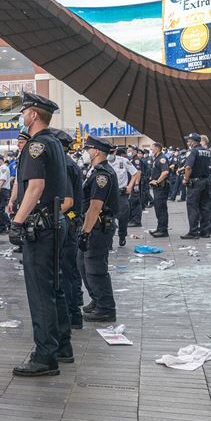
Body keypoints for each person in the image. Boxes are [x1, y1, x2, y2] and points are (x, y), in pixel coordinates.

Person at [9, 93, 68, 377]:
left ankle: (45, 355)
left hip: (40, 227)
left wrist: (17, 223)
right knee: (54, 288)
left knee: (40, 292)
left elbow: (35, 187)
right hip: (54, 223)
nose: (22, 117)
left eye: (24, 113)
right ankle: (58, 347)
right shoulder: (55, 143)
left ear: (33, 115)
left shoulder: (35, 146)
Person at [76, 137, 119, 324]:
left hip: (97, 228)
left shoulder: (102, 175)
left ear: (97, 152)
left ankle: (106, 308)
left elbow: (95, 207)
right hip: (93, 226)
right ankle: (97, 299)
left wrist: (85, 232)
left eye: (88, 149)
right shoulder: (94, 172)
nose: (86, 151)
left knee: (95, 269)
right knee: (83, 265)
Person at [51, 129, 83, 334]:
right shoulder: (68, 163)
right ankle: (74, 311)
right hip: (71, 221)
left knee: (67, 271)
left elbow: (69, 201)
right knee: (69, 270)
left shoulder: (65, 165)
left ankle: (72, 315)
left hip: (69, 221)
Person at [180, 133, 211, 240]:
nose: (187, 142)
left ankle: (193, 231)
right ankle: (205, 231)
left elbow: (189, 167)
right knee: (205, 206)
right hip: (206, 181)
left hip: (195, 183)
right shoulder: (208, 152)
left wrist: (185, 179)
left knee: (193, 207)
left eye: (188, 140)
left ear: (193, 141)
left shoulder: (193, 151)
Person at [110, 147, 139, 247]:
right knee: (108, 218)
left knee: (123, 218)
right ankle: (108, 240)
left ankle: (122, 236)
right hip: (108, 195)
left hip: (121, 193)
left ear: (114, 152)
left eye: (111, 152)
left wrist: (130, 186)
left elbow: (135, 173)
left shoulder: (123, 161)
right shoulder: (102, 162)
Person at [148, 142, 170, 237]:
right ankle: (159, 228)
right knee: (158, 208)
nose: (151, 150)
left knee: (161, 209)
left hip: (161, 187)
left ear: (157, 148)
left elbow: (165, 172)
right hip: (158, 188)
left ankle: (163, 230)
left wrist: (157, 181)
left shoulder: (162, 158)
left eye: (152, 148)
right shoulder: (156, 158)